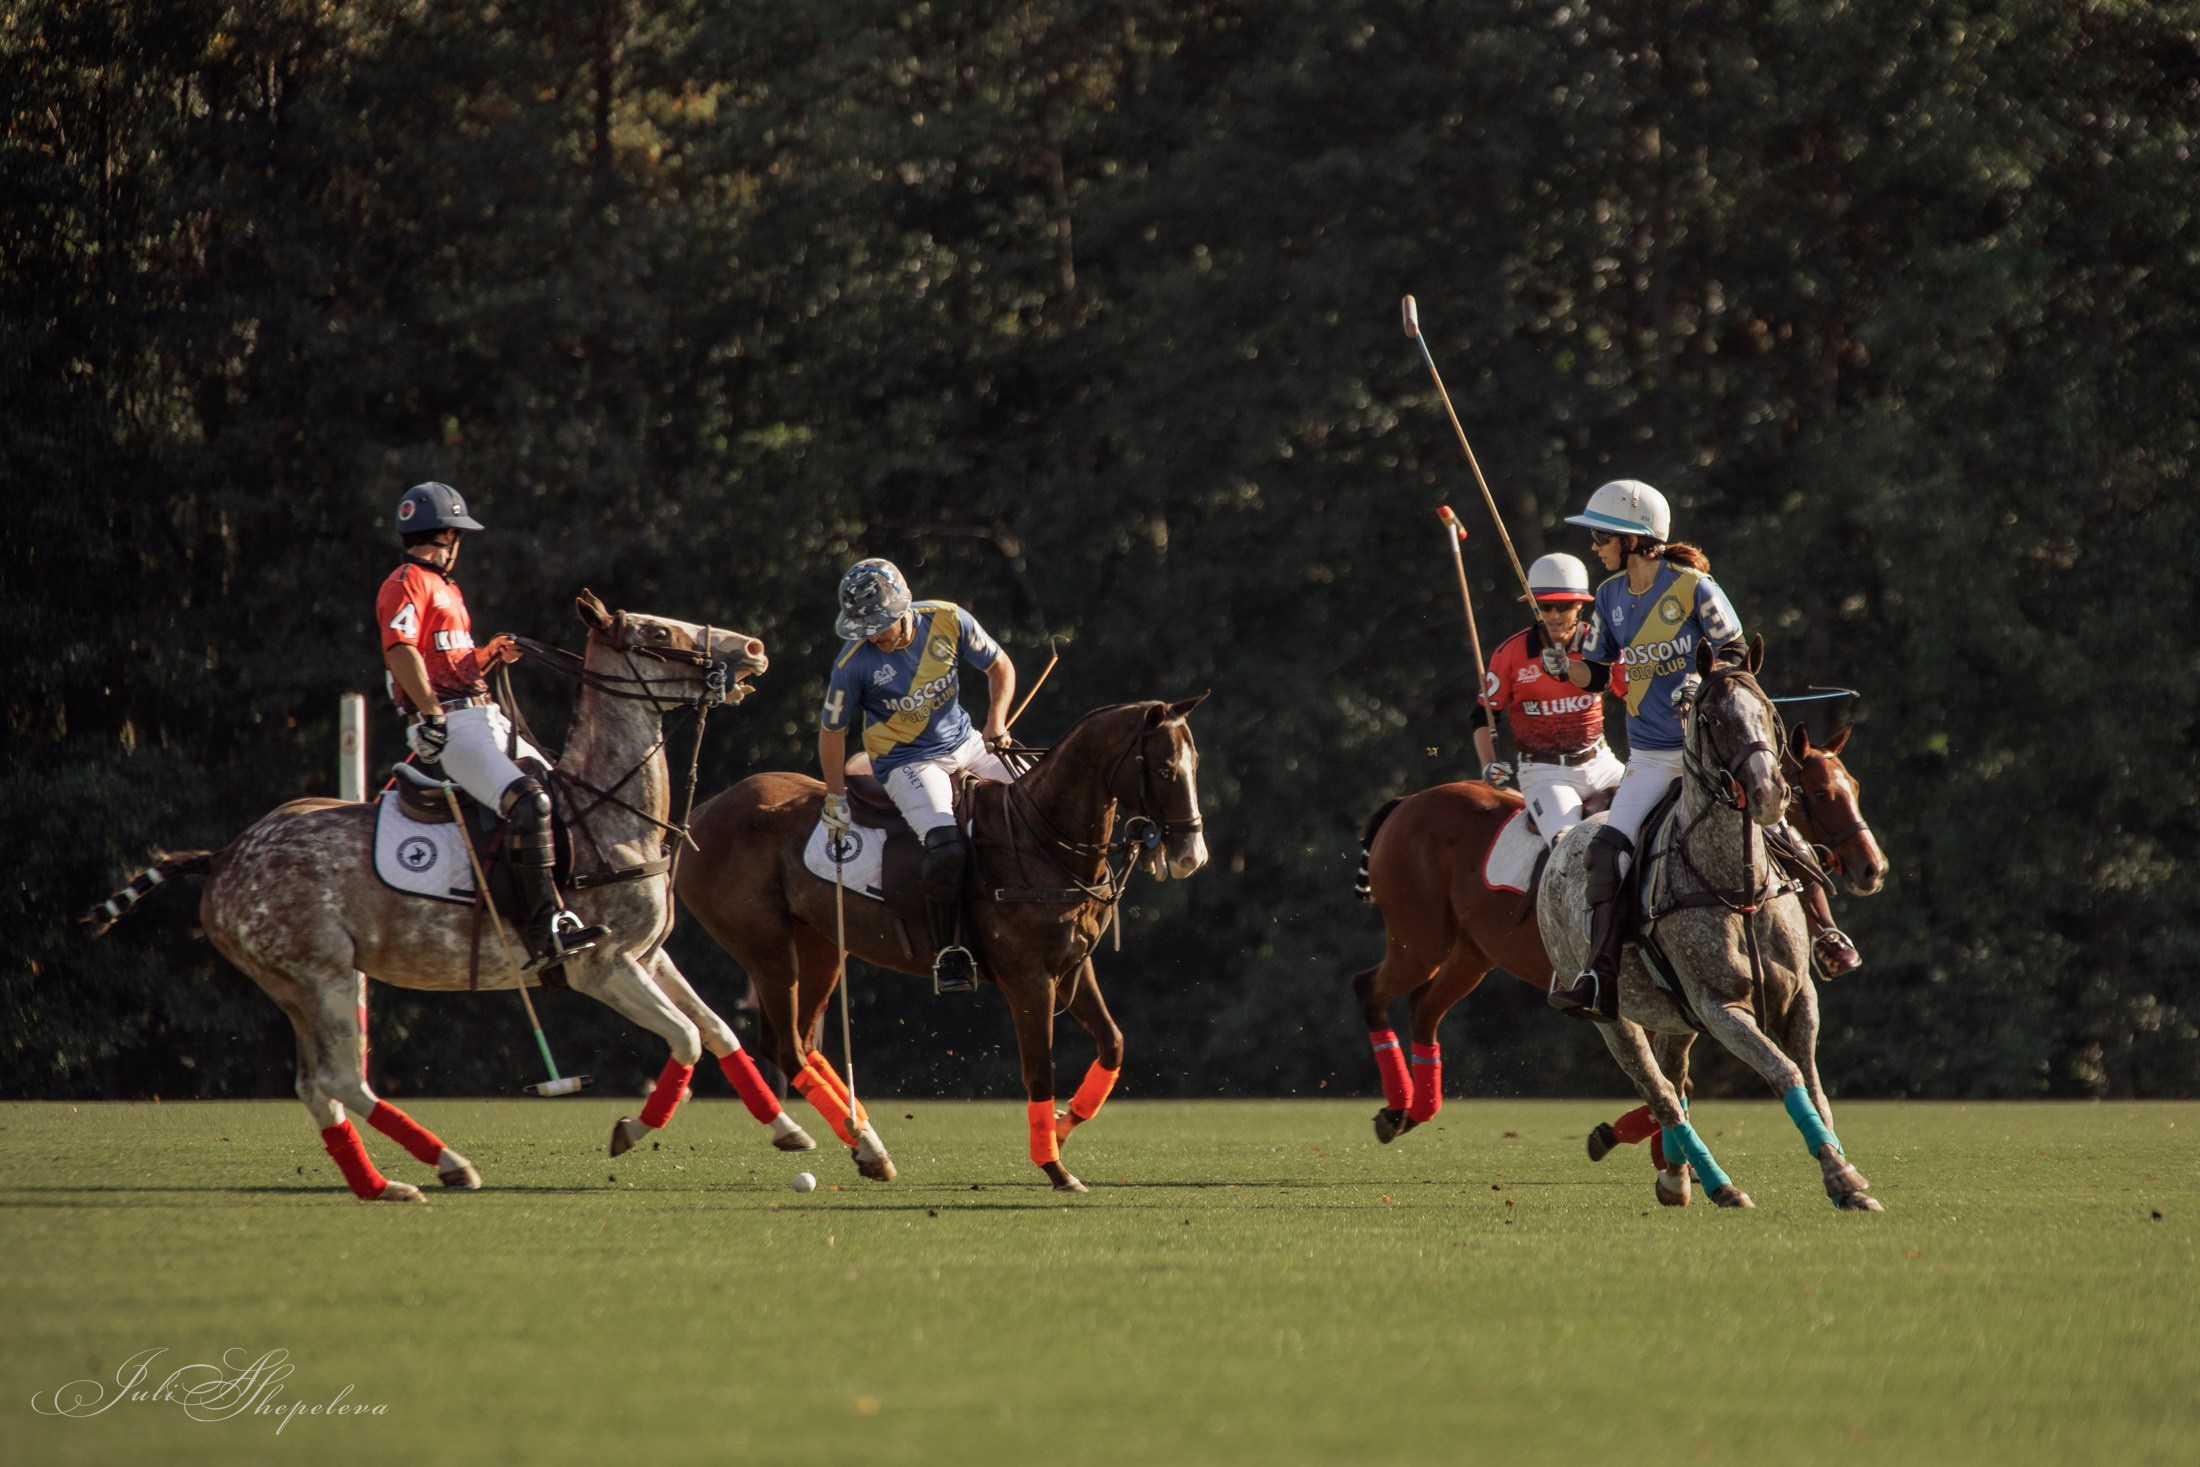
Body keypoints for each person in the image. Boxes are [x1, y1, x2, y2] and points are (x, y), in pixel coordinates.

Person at [377, 482, 605, 969]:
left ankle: (577, 905)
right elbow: (400, 651)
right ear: (446, 535)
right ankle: (543, 929)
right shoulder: (407, 582)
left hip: (483, 713)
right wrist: (432, 715)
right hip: (454, 727)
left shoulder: (448, 589)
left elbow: (449, 664)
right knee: (528, 801)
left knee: (566, 795)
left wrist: (488, 656)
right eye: (459, 536)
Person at [1546, 479, 1744, 1017]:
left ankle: (1824, 933)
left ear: (1634, 538)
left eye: (1601, 537)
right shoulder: (1610, 597)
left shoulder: (1695, 587)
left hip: (1707, 754)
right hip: (1652, 759)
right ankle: (1598, 979)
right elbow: (1596, 674)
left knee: (1775, 822)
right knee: (1606, 853)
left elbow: (1736, 652)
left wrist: (1702, 682)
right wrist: (1567, 667)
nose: (1595, 547)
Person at [816, 559, 1017, 995]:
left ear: (903, 608)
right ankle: (950, 953)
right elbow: (832, 733)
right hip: (906, 761)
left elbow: (1000, 666)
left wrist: (995, 722)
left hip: (968, 743)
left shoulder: (947, 619)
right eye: (865, 628)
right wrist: (835, 796)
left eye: (880, 625)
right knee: (946, 848)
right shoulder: (852, 664)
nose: (874, 635)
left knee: (1041, 800)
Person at [1471, 553, 1625, 850]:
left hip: (1601, 763)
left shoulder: (1601, 644)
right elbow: (1483, 715)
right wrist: (1489, 764)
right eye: (1545, 606)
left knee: (1657, 815)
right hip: (1545, 773)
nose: (1554, 615)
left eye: (1564, 606)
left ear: (1580, 605)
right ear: (1534, 606)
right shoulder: (1511, 654)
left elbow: (1633, 693)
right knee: (1569, 845)